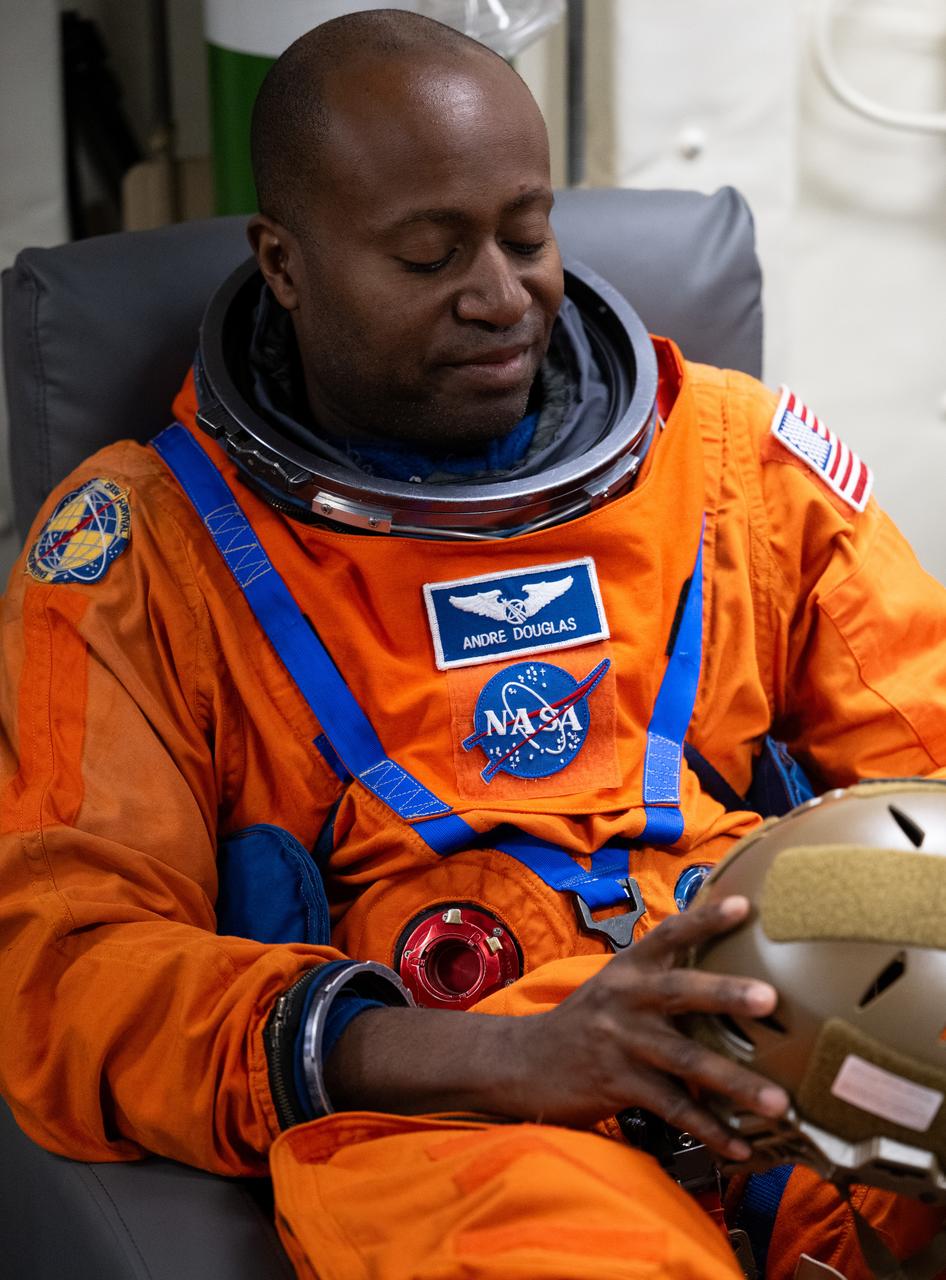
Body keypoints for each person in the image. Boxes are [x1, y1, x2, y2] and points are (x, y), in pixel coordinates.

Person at [2, 9, 946, 1278]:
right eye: (428, 256)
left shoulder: (736, 466)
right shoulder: (144, 552)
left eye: (528, 235)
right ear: (284, 264)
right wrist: (499, 1051)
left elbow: (927, 785)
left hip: (784, 1047)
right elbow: (72, 969)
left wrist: (809, 944)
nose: (503, 297)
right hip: (462, 1120)